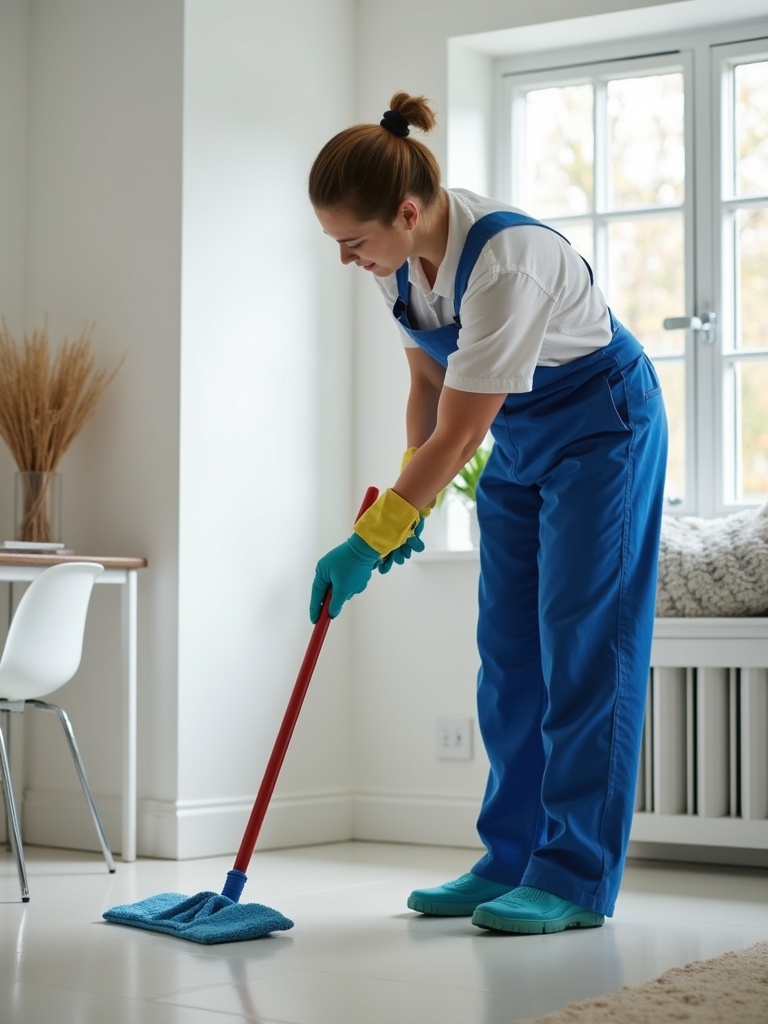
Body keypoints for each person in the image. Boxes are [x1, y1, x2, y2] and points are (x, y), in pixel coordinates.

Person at [307, 92, 667, 935]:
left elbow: (462, 431)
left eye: (352, 242)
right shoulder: (393, 264)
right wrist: (407, 498)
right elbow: (427, 391)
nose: (346, 260)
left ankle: (574, 874)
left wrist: (375, 534)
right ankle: (510, 857)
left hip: (601, 429)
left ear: (405, 212)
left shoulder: (508, 260)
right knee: (508, 655)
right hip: (518, 436)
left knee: (583, 645)